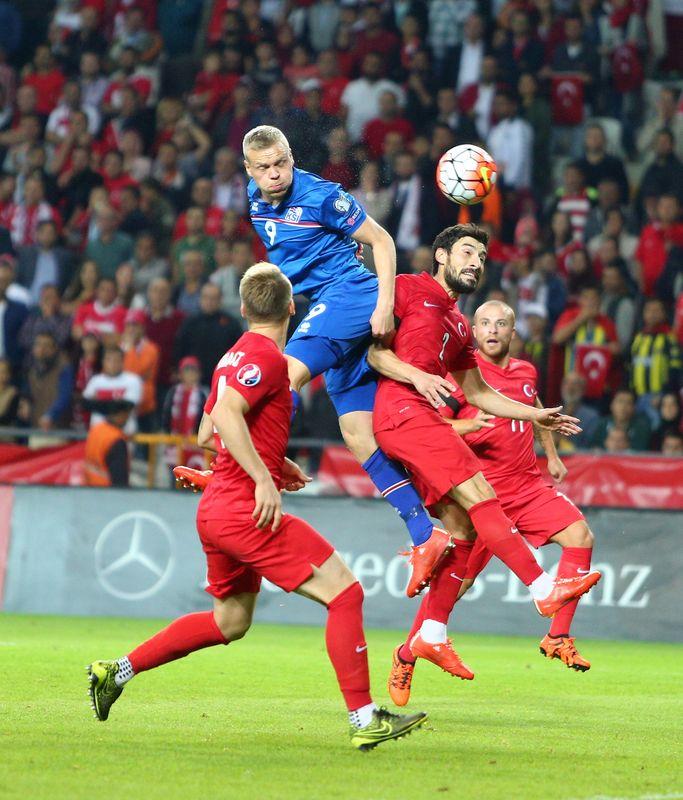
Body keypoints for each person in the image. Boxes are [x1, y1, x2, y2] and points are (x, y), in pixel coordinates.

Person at [87, 262, 427, 750]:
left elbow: (208, 434)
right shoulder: (269, 358)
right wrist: (264, 477)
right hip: (246, 509)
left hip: (220, 506)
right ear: (292, 307)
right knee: (346, 594)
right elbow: (225, 416)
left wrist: (272, 459)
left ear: (243, 309)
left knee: (230, 621)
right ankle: (363, 718)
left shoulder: (232, 357)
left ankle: (115, 671)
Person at [366, 224, 600, 676]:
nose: (475, 262)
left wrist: (536, 417)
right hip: (402, 412)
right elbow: (375, 354)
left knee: (464, 538)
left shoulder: (456, 324)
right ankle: (542, 588)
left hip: (446, 435)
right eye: (467, 252)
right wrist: (418, 378)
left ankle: (421, 644)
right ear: (440, 255)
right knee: (481, 502)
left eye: (481, 257)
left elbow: (477, 391)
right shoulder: (406, 288)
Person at [242, 124, 453, 596]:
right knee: (358, 434)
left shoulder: (322, 196)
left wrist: (382, 304)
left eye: (281, 163)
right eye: (264, 168)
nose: (275, 175)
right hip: (319, 307)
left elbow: (382, 242)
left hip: (349, 296)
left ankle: (248, 475)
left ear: (291, 157)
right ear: (250, 170)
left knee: (282, 376)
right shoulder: (254, 199)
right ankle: (427, 534)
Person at [82, 345, 142, 434]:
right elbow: (86, 404)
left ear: (122, 362)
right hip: (98, 432)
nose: (112, 363)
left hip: (125, 433)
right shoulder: (95, 380)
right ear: (103, 362)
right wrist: (116, 403)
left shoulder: (133, 380)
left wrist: (98, 402)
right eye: (109, 360)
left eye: (116, 360)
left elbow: (127, 406)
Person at [83, 399, 133, 487]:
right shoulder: (116, 440)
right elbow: (119, 478)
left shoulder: (96, 430)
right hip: (107, 493)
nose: (127, 420)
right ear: (121, 414)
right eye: (127, 416)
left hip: (89, 488)